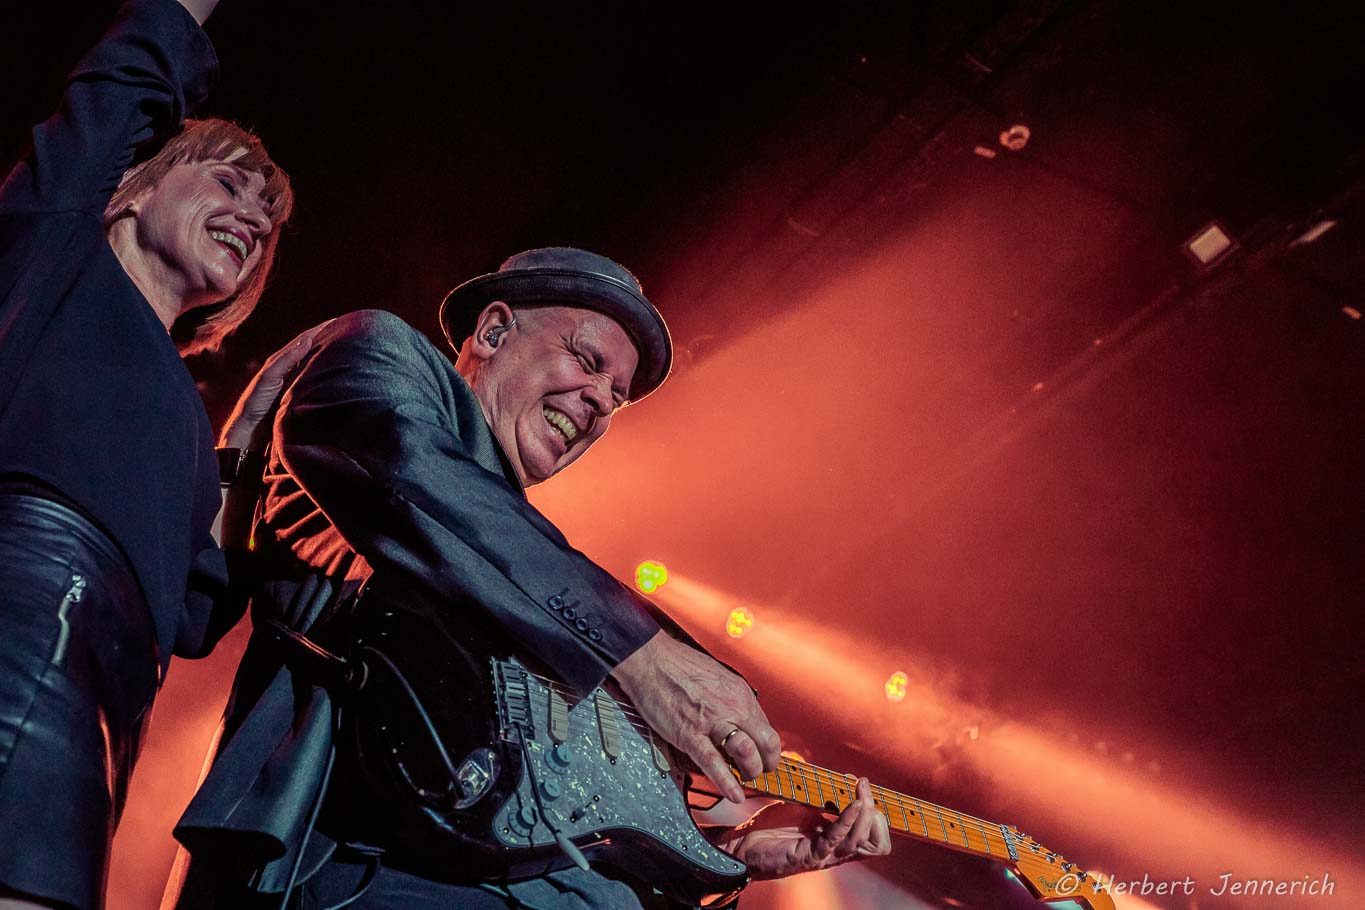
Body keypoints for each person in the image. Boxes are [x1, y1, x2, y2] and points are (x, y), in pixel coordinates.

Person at [165, 248, 891, 909]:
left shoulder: (532, 578)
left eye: (616, 395)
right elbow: (409, 475)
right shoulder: (380, 349)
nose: (601, 400)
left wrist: (719, 854)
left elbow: (547, 812)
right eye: (588, 359)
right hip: (354, 864)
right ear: (492, 331)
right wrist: (645, 658)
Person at [0, 0, 295, 907]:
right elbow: (128, 73)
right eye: (229, 183)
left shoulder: (186, 421)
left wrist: (249, 432)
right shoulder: (56, 257)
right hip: (20, 627)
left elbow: (194, 615)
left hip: (107, 713)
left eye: (268, 215)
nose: (253, 217)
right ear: (131, 187)